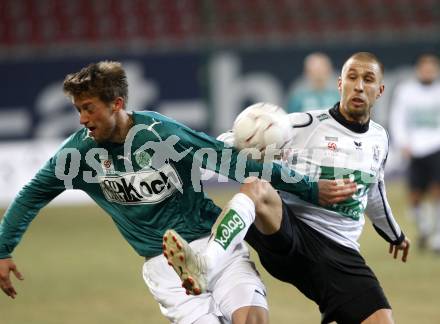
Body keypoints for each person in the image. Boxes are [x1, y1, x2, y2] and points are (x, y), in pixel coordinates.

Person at [0, 61, 356, 324]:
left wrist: (309, 188)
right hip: (164, 265)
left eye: (88, 108)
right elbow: (33, 193)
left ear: (116, 104)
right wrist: (3, 248)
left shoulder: (162, 134)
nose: (81, 119)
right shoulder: (77, 155)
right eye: (77, 109)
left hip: (215, 243)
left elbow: (234, 162)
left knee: (254, 321)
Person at [165, 52, 411, 324]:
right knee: (256, 187)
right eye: (352, 78)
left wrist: (395, 234)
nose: (360, 86)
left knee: (381, 320)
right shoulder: (301, 125)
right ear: (340, 84)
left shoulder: (380, 139)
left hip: (339, 253)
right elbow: (227, 144)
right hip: (288, 232)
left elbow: (375, 194)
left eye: (368, 79)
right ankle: (205, 264)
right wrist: (243, 143)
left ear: (380, 90)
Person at [389, 53, 440, 252]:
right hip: (415, 148)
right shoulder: (406, 91)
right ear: (419, 70)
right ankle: (425, 228)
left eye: (432, 68)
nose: (428, 71)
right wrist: (403, 142)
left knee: (437, 192)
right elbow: (397, 118)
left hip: (437, 146)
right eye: (425, 68)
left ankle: (437, 236)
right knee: (415, 197)